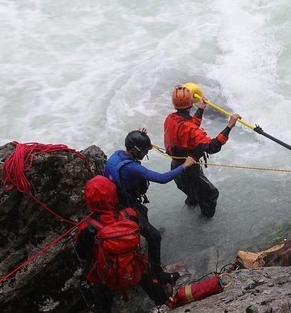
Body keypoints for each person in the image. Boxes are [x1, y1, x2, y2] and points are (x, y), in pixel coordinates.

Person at [104, 129, 195, 284]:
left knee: (143, 211)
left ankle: (143, 238)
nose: (145, 154)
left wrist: (139, 136)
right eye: (144, 151)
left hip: (120, 200)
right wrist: (184, 166)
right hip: (124, 206)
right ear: (135, 150)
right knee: (155, 236)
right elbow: (160, 178)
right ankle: (158, 274)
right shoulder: (132, 168)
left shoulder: (118, 154)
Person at [75, 175, 170, 313]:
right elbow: (153, 235)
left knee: (99, 293)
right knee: (150, 279)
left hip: (105, 276)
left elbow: (82, 254)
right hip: (135, 266)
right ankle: (167, 303)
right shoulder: (130, 214)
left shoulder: (86, 228)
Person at [163, 85, 241, 218]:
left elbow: (188, 127)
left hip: (176, 167)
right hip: (189, 169)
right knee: (211, 194)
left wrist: (200, 109)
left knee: (192, 194)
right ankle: (205, 220)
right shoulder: (189, 128)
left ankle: (192, 203)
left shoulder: (170, 118)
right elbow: (213, 147)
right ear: (190, 104)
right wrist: (229, 126)